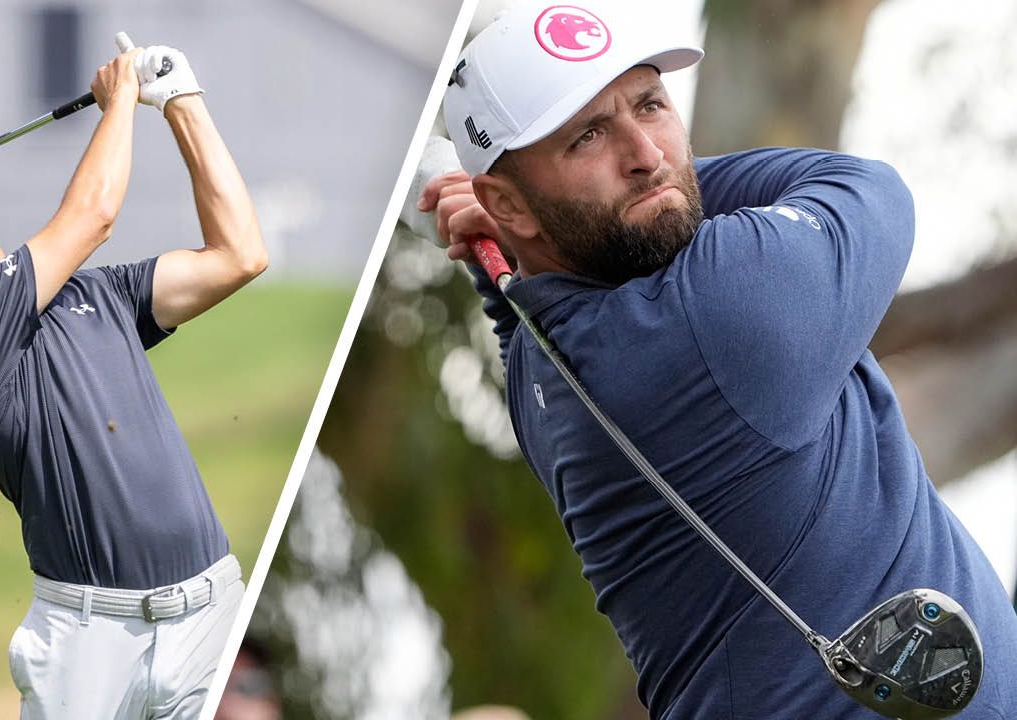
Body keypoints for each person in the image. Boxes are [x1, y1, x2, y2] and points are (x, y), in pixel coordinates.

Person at [418, 2, 1017, 717]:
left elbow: (527, 310)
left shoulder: (542, 377)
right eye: (587, 137)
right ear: (508, 205)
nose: (645, 152)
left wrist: (519, 243)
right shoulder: (715, 318)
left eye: (650, 104)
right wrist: (667, 187)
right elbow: (864, 187)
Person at [0, 34, 266, 719]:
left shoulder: (95, 295)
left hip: (208, 614)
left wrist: (184, 100)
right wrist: (122, 101)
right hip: (88, 641)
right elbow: (93, 216)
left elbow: (239, 255)